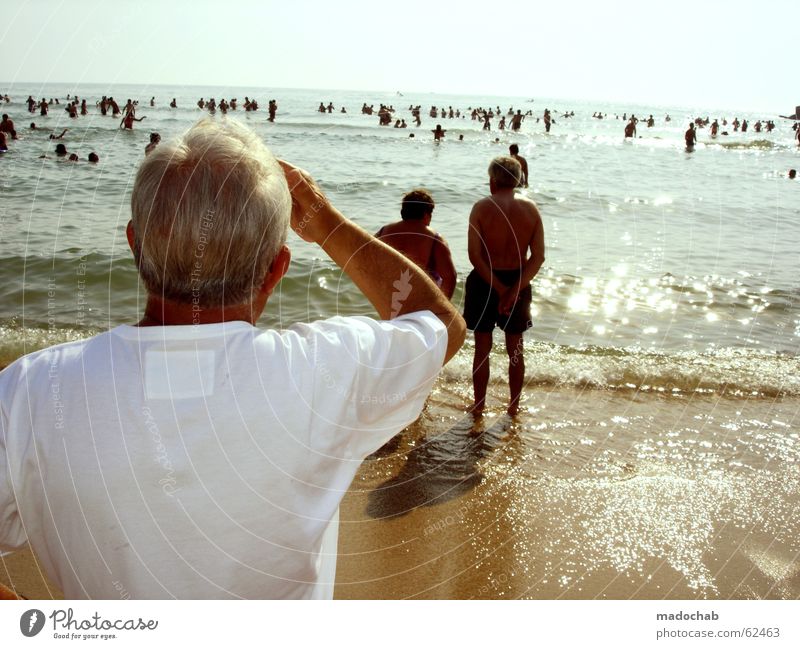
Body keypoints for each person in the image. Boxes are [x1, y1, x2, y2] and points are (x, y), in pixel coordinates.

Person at [0, 119, 465, 599]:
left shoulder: (32, 392)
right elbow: (441, 323)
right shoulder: (319, 371)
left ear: (136, 246)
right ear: (277, 270)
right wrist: (326, 223)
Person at [464, 156, 545, 416]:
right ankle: (513, 406)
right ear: (518, 180)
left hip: (485, 281)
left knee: (482, 348)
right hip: (518, 282)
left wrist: (499, 289)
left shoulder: (481, 207)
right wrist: (514, 289)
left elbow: (475, 256)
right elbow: (539, 256)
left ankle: (479, 404)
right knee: (516, 349)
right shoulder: (531, 209)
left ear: (492, 181)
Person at [375, 189, 457, 299]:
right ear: (426, 214)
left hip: (388, 296)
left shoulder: (382, 232)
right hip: (420, 299)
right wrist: (442, 307)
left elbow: (366, 261)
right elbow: (450, 277)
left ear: (403, 211)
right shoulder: (434, 239)